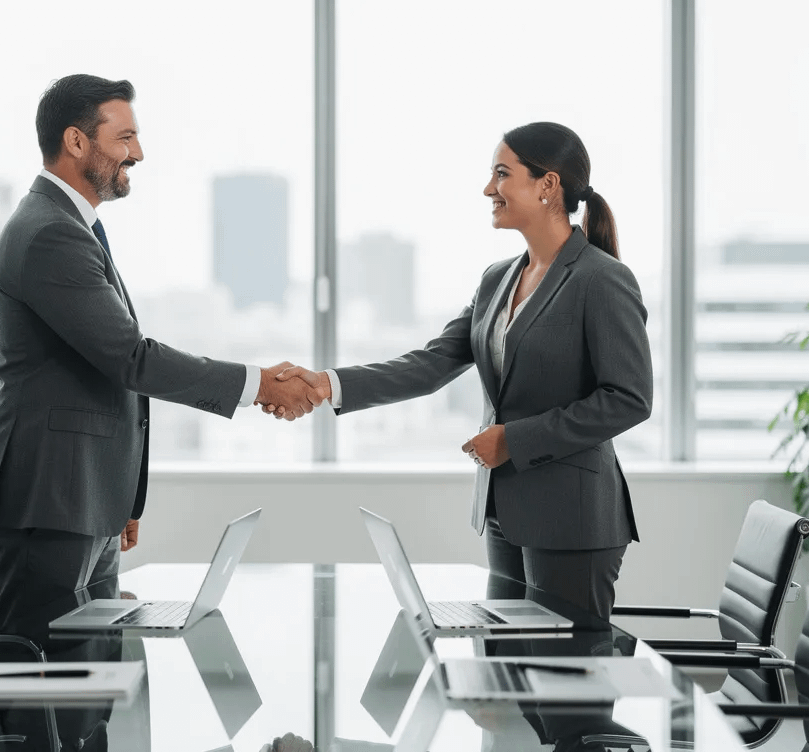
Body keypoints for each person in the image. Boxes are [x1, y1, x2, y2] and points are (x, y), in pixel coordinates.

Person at [0, 74, 324, 645]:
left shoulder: (72, 228)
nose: (138, 152)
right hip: (49, 498)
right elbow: (130, 359)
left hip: (80, 498)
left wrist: (119, 497)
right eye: (125, 136)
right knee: (38, 683)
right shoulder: (49, 235)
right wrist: (259, 385)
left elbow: (103, 373)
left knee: (89, 685)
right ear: (77, 142)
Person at [271, 122, 653, 620]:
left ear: (547, 186)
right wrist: (327, 383)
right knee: (503, 671)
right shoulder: (498, 280)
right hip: (504, 510)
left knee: (566, 686)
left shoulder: (602, 280)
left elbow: (628, 399)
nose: (488, 189)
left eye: (501, 174)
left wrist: (515, 439)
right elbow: (431, 364)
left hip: (572, 520)